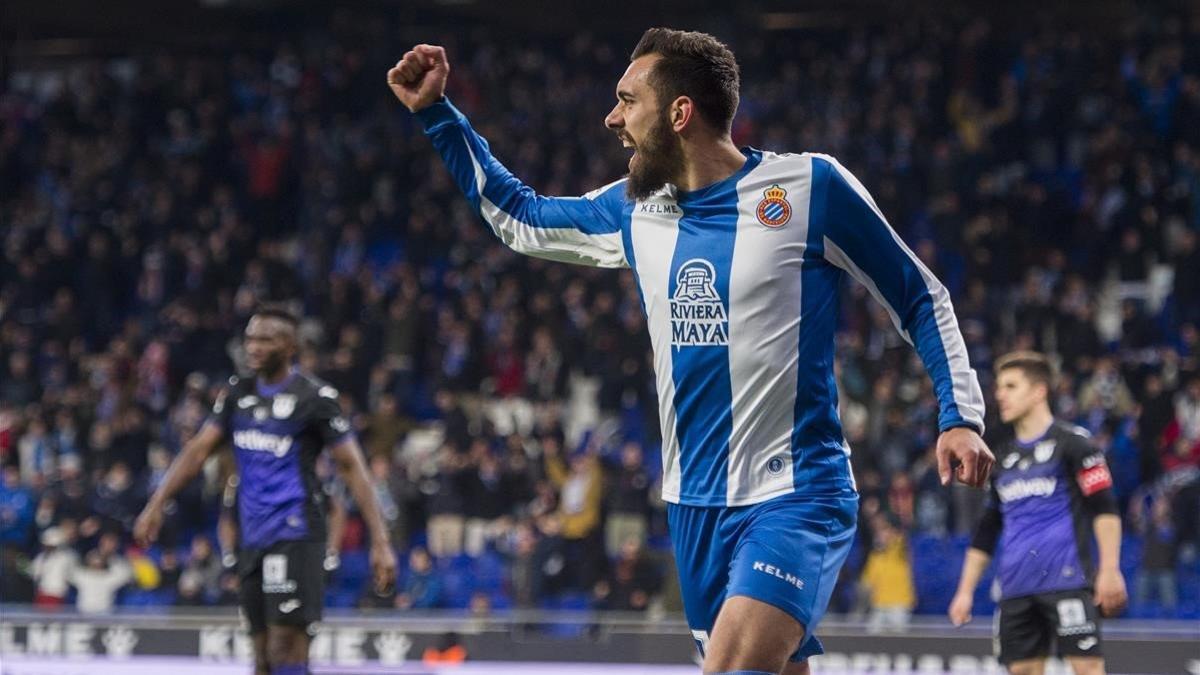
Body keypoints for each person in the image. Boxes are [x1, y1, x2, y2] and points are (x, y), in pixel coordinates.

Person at [389, 29, 993, 675]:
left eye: (627, 101)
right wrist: (436, 114)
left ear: (680, 113)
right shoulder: (634, 207)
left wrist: (959, 412)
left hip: (794, 493)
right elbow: (521, 217)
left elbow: (919, 297)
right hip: (692, 504)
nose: (612, 118)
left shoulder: (809, 187)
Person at [134, 305, 397, 675]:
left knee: (286, 648)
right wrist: (156, 502)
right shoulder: (237, 393)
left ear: (290, 347)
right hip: (252, 537)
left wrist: (380, 540)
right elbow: (196, 452)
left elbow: (353, 467)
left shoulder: (315, 398)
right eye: (249, 339)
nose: (253, 347)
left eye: (264, 339)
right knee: (260, 656)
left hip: (297, 534)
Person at [948, 351, 1127, 675]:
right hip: (1016, 589)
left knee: (1088, 668)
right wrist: (964, 591)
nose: (1000, 394)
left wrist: (1110, 569)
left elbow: (1105, 509)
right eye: (1000, 386)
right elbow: (987, 531)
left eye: (1011, 386)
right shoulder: (1001, 458)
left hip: (1068, 582)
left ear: (1039, 390)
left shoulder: (1075, 444)